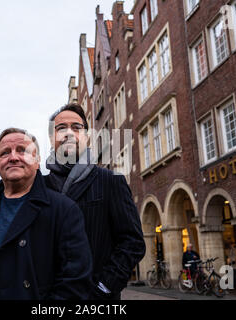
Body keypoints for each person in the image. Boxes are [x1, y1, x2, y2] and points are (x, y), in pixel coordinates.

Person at [0, 128, 93, 300]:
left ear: (37, 160)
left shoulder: (63, 210)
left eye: (22, 150)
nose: (13, 157)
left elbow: (75, 281)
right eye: (5, 153)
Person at [44, 103, 146, 300]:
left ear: (86, 137)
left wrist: (104, 287)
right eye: (61, 128)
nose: (68, 133)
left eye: (76, 127)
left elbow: (132, 242)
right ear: (52, 138)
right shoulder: (40, 187)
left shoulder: (110, 181)